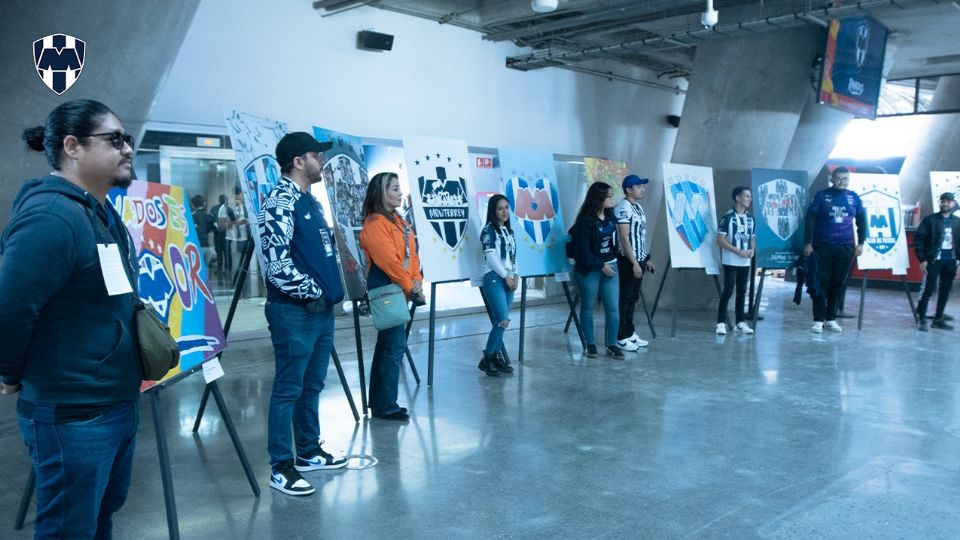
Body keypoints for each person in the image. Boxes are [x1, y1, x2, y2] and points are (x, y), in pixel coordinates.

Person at [0, 99, 141, 537]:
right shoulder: (52, 217)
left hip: (113, 400)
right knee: (68, 529)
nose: (127, 148)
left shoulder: (98, 212)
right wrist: (9, 372)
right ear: (72, 147)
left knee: (98, 517)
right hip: (72, 414)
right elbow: (10, 308)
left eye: (127, 139)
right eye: (114, 139)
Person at [260, 132, 346, 497]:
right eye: (316, 155)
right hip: (294, 312)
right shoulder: (280, 201)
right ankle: (281, 467)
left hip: (320, 311)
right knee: (288, 390)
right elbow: (277, 266)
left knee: (312, 385)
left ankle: (308, 451)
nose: (321, 160)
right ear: (298, 161)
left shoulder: (310, 200)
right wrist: (315, 292)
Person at [360, 172, 425, 420]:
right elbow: (390, 262)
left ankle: (382, 402)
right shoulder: (375, 223)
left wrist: (417, 280)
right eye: (395, 189)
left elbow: (412, 255)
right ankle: (385, 405)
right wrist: (411, 286)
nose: (400, 193)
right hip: (390, 290)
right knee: (392, 347)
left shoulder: (399, 220)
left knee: (389, 346)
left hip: (402, 289)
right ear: (381, 192)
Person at [802, 166, 866, 333]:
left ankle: (831, 319)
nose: (842, 182)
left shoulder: (853, 198)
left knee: (837, 284)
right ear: (832, 179)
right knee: (820, 283)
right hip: (822, 246)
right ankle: (818, 319)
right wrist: (808, 243)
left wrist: (861, 243)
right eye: (839, 178)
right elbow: (810, 220)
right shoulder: (821, 196)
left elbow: (862, 220)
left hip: (845, 248)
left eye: (845, 179)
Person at [570, 182, 624, 360]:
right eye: (609, 196)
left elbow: (614, 241)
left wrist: (613, 260)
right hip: (590, 269)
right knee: (588, 306)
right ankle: (590, 343)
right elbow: (582, 251)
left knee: (613, 308)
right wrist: (601, 266)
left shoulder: (610, 216)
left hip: (611, 266)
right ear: (599, 198)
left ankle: (612, 344)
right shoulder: (585, 220)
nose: (612, 199)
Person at [478, 194, 518, 376]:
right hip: (494, 278)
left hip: (508, 277)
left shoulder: (509, 231)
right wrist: (505, 276)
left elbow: (513, 256)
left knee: (500, 322)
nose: (504, 212)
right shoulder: (488, 230)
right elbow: (491, 257)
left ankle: (494, 356)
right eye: (500, 208)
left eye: (506, 208)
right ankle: (487, 357)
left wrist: (516, 275)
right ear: (493, 211)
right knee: (503, 320)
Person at [614, 174, 653, 350]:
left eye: (642, 186)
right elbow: (624, 238)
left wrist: (645, 259)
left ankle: (629, 332)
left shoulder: (638, 207)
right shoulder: (624, 207)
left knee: (633, 298)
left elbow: (640, 236)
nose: (642, 189)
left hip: (639, 258)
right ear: (628, 190)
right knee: (625, 297)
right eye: (638, 186)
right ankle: (620, 336)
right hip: (628, 260)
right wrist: (635, 263)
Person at [913, 192, 960, 331]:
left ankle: (938, 319)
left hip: (951, 260)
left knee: (945, 291)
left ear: (953, 203)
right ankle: (922, 318)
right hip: (933, 260)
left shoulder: (957, 221)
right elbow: (918, 239)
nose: (945, 203)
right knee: (928, 290)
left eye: (948, 201)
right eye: (943, 201)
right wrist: (922, 260)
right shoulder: (930, 220)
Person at [716, 186, 756, 335]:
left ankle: (740, 322)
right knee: (728, 290)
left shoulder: (750, 218)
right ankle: (720, 323)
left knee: (742, 291)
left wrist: (752, 250)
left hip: (745, 261)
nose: (750, 199)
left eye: (750, 196)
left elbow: (752, 238)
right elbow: (720, 240)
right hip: (731, 260)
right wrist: (738, 251)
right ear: (738, 198)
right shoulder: (727, 217)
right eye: (747, 196)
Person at [190, 193, 217, 266]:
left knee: (197, 268)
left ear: (192, 204)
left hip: (196, 246)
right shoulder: (209, 215)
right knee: (206, 268)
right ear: (204, 203)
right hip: (207, 246)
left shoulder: (192, 216)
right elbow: (215, 227)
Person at [215, 193, 237, 282]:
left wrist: (224, 225)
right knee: (223, 252)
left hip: (223, 234)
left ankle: (225, 269)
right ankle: (224, 269)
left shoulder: (227, 210)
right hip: (221, 234)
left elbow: (233, 221)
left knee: (224, 252)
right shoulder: (223, 209)